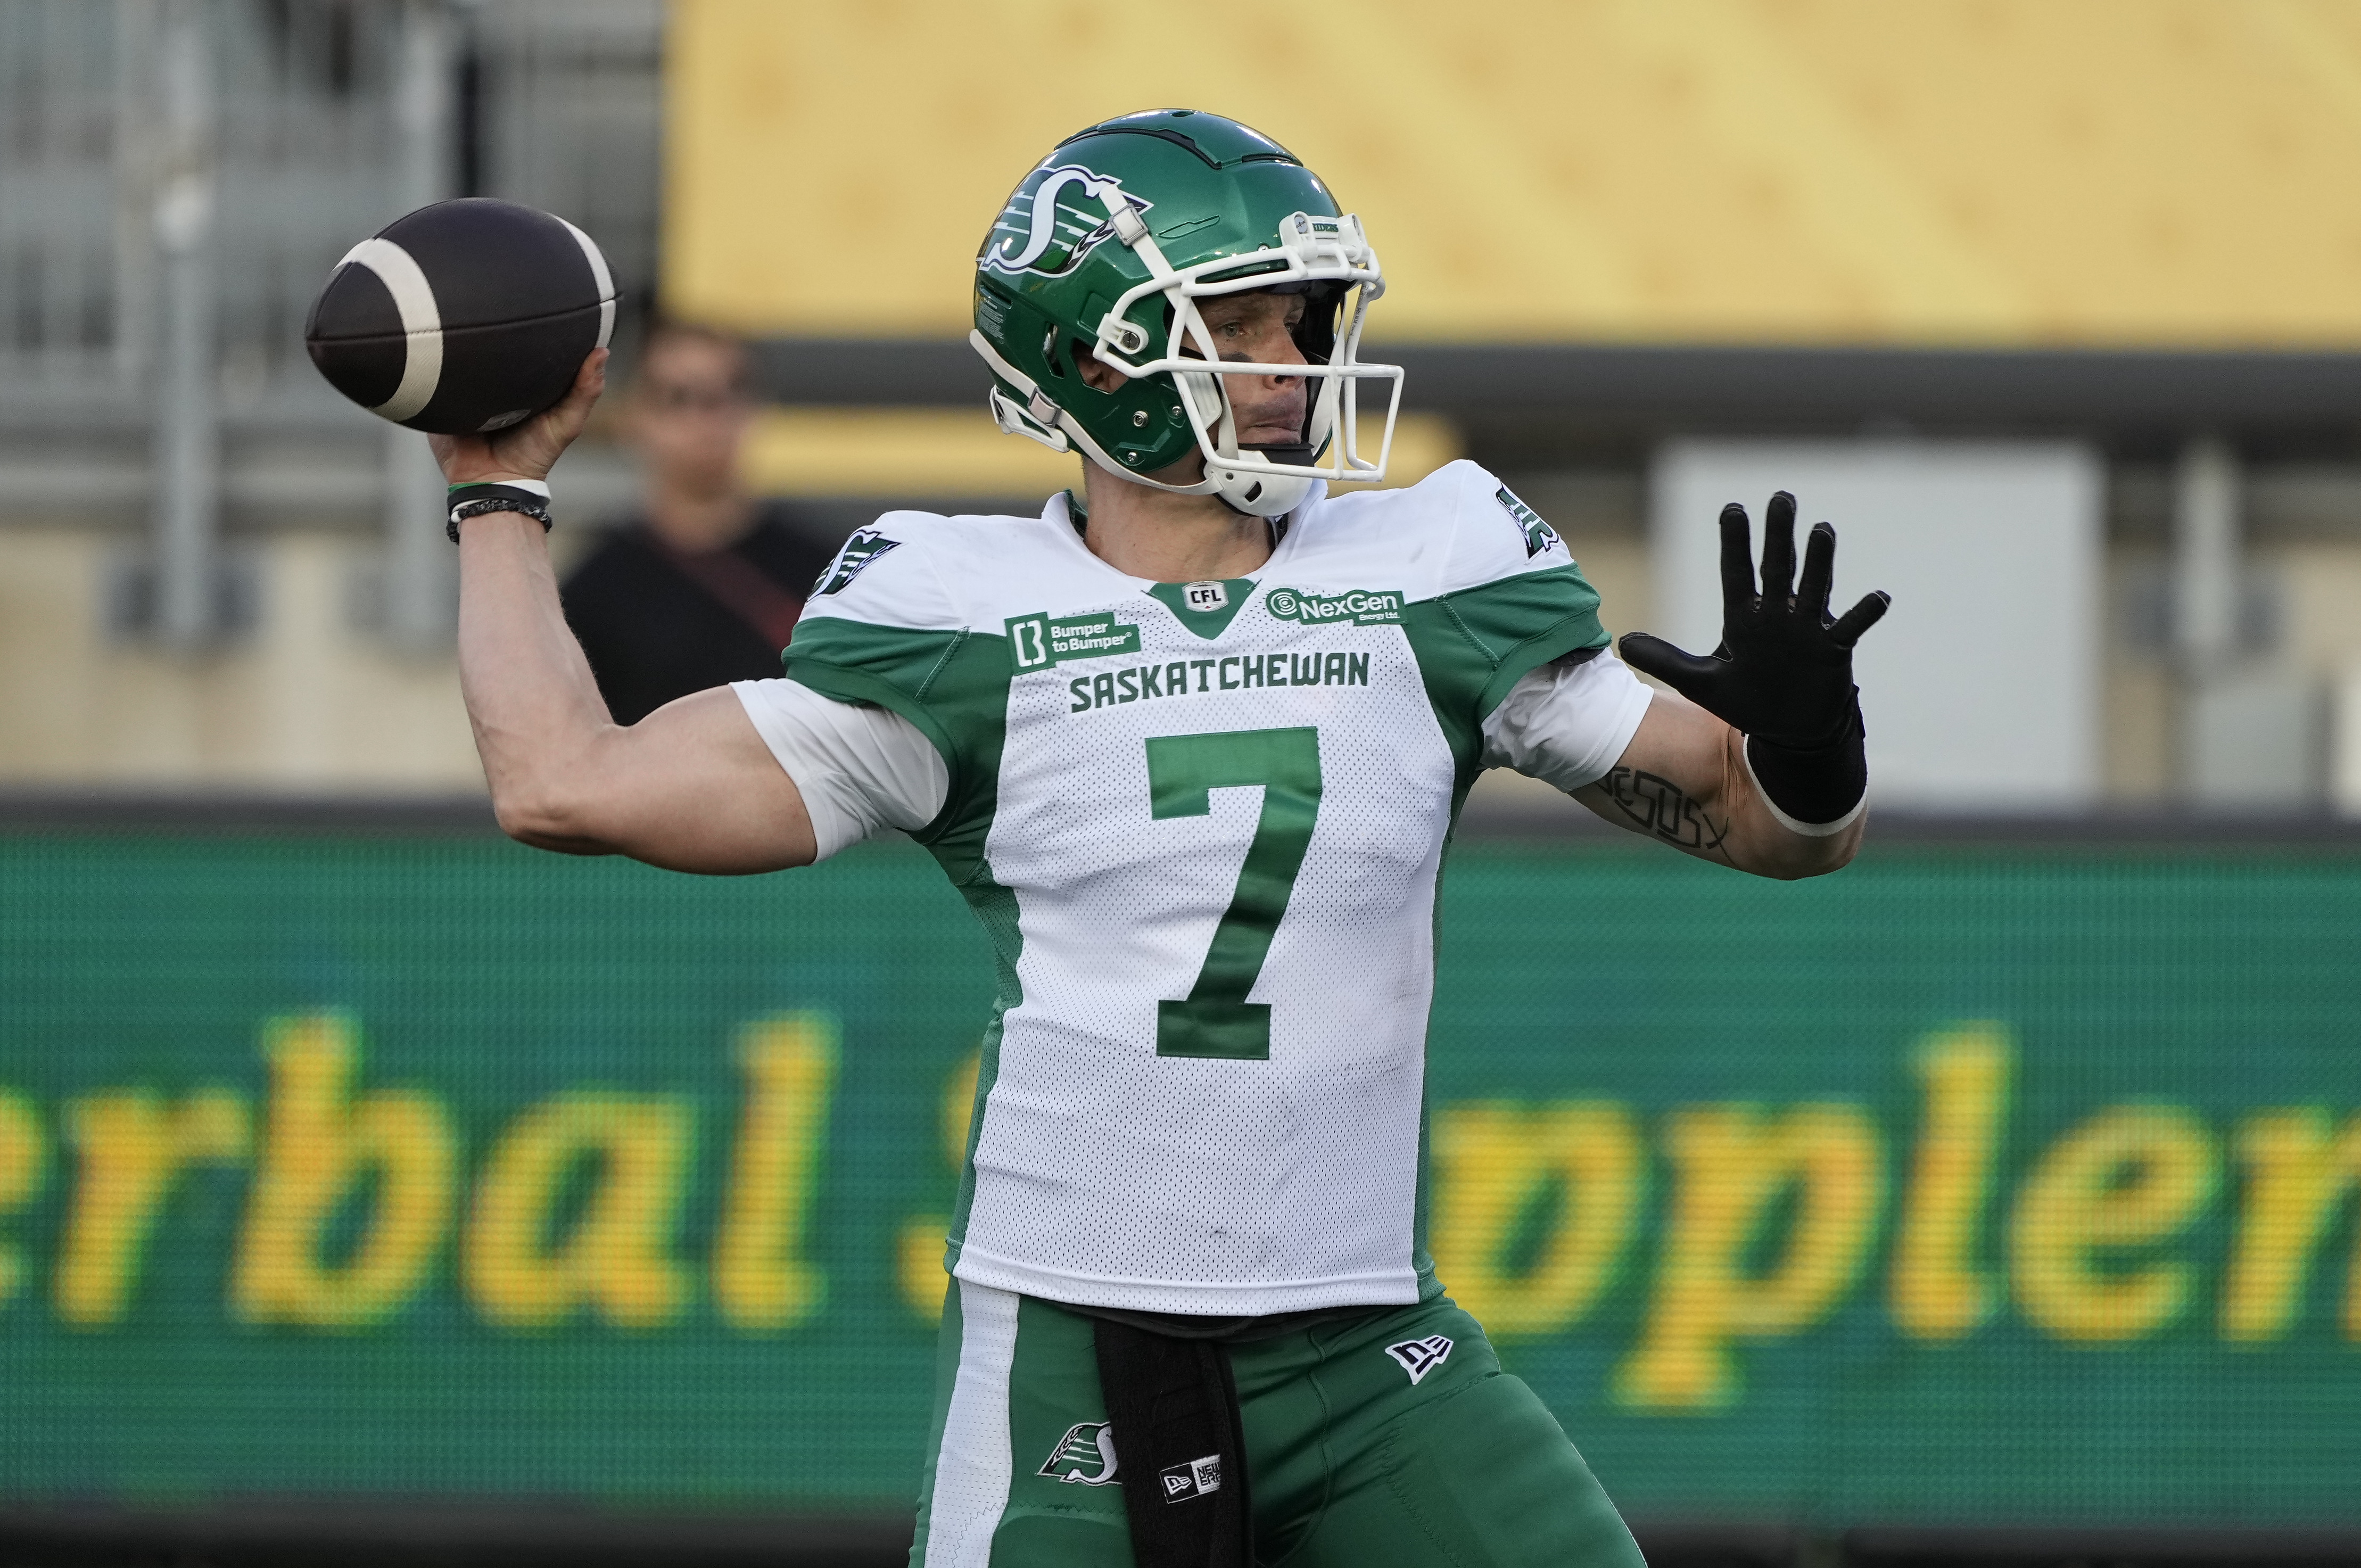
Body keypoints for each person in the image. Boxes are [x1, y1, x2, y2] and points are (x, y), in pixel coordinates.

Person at [433, 110, 1888, 1568]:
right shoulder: (959, 613)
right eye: (1236, 323)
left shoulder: (1431, 567)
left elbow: (1772, 829)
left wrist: (1808, 745)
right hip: (1075, 1340)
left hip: (1368, 1347)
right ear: (1094, 359)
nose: (1291, 364)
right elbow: (563, 782)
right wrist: (496, 491)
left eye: (1303, 321)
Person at [559, 320, 839, 723]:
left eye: (730, 392)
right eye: (678, 397)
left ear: (757, 407)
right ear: (632, 416)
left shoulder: (827, 572)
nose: (708, 418)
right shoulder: (592, 592)